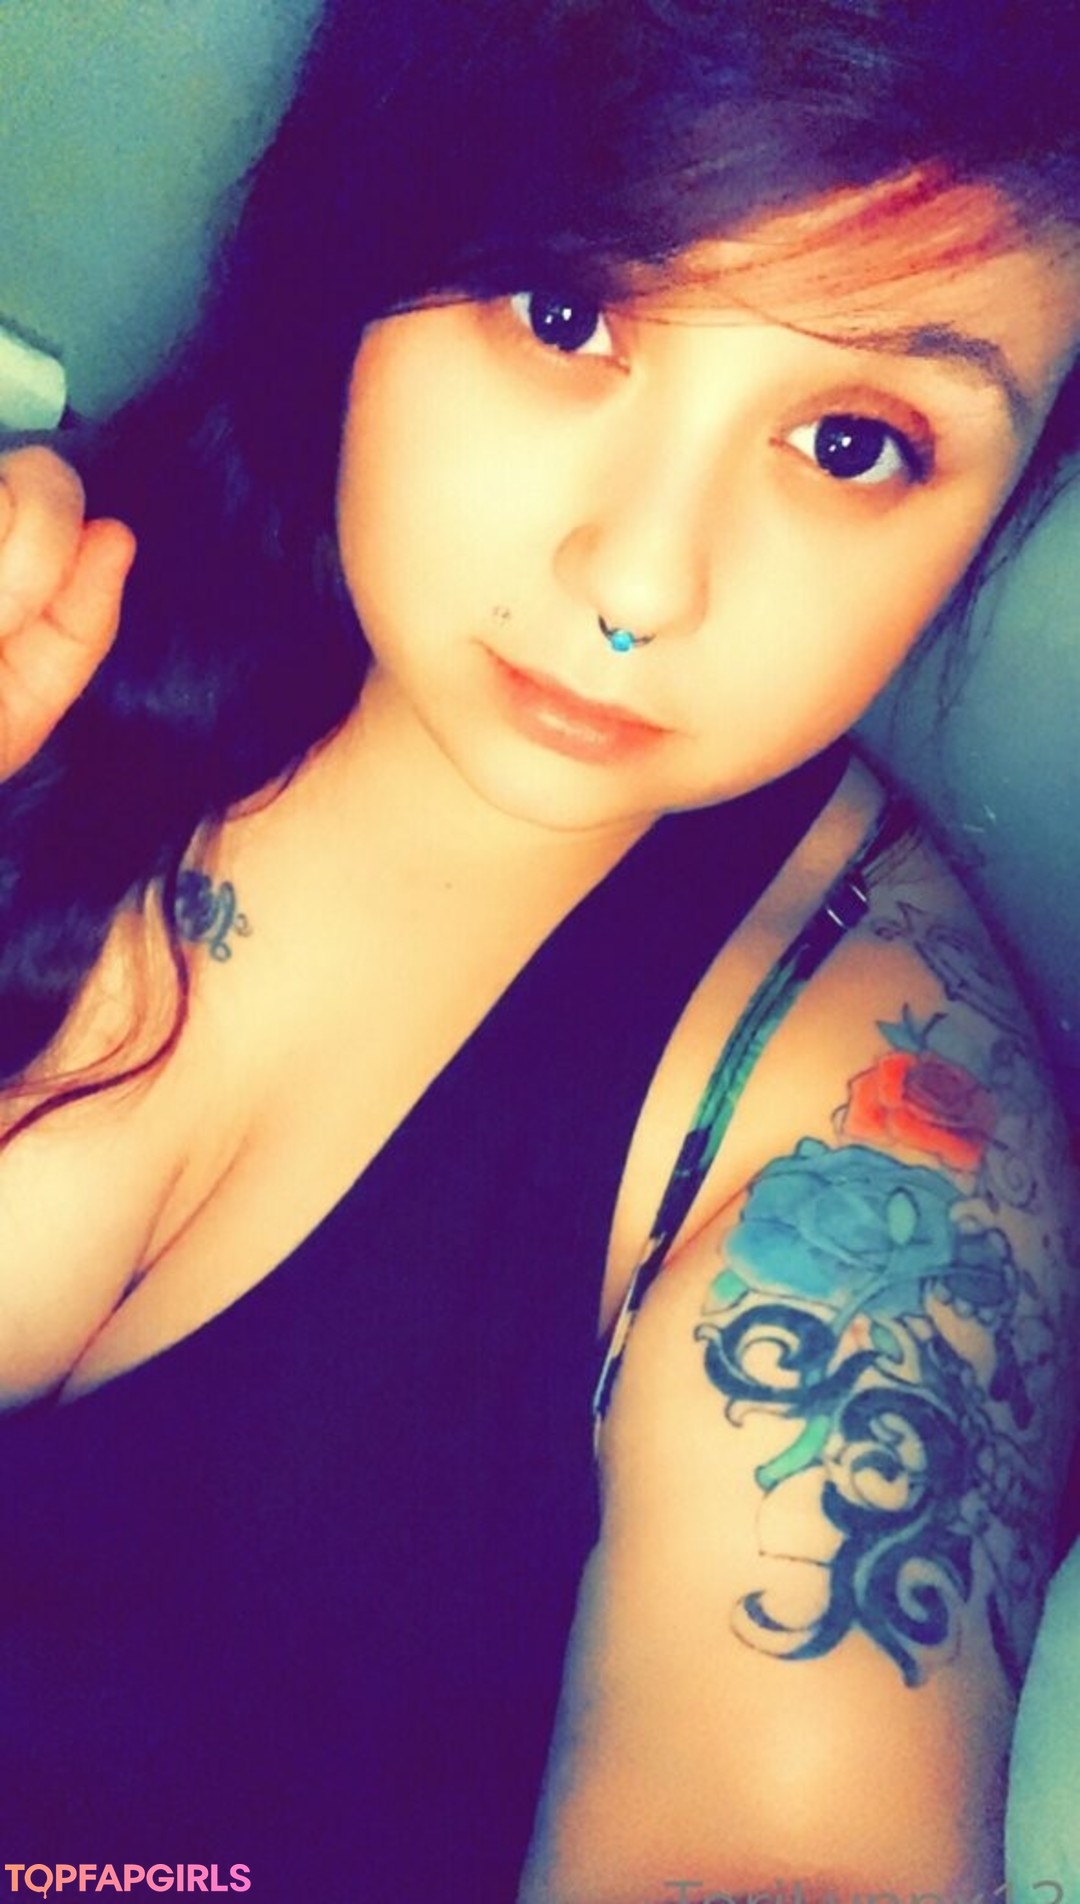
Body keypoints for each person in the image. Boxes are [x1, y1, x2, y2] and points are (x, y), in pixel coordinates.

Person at [0, 1, 1077, 1897]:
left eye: (851, 440)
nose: (641, 582)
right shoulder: (53, 622)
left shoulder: (871, 1129)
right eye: (569, 315)